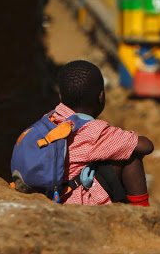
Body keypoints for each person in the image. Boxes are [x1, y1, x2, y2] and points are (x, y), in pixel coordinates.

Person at [53, 60, 154, 206]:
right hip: (74, 202)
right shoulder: (93, 131)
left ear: (61, 97)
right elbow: (146, 146)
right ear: (101, 97)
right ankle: (143, 214)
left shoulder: (50, 121)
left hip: (51, 193)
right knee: (130, 156)